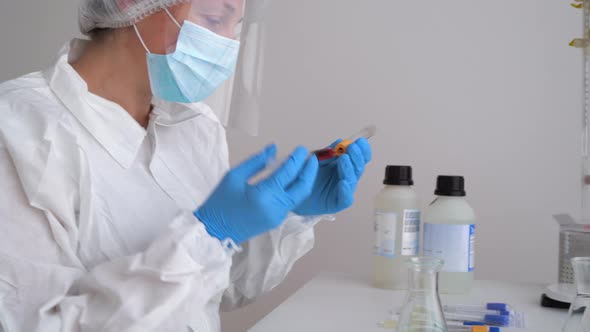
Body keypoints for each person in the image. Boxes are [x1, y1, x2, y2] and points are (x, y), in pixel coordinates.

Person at [0, 0, 372, 330]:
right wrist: (207, 236)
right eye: (213, 20)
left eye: (235, 28)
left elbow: (220, 291)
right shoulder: (19, 131)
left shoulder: (197, 126)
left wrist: (291, 214)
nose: (228, 44)